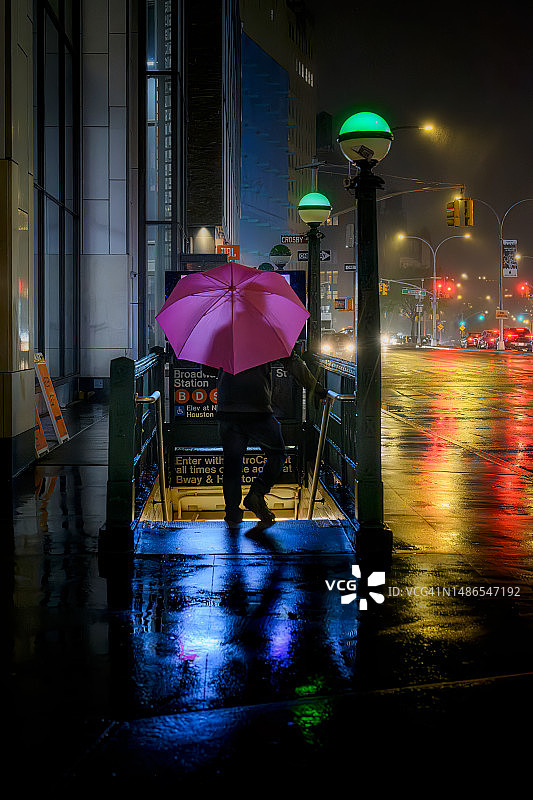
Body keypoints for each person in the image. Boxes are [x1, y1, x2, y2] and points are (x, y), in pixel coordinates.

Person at [204, 347, 328, 528]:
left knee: (232, 465)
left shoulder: (222, 332)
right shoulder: (265, 334)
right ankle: (257, 493)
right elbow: (293, 363)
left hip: (227, 409)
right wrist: (316, 388)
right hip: (258, 407)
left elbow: (207, 369)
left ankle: (232, 513)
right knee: (277, 454)